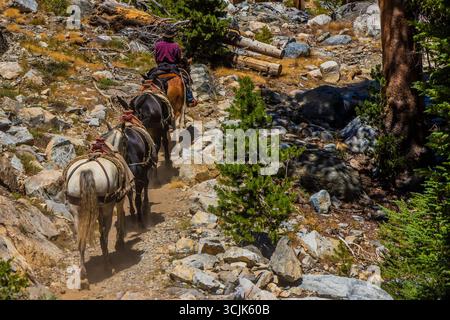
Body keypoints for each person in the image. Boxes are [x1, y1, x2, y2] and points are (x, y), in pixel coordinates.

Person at [149, 28, 198, 108]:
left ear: (164, 36)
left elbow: (156, 57)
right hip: (173, 68)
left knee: (149, 78)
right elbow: (178, 58)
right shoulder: (176, 46)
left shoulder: (158, 45)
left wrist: (159, 63)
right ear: (172, 37)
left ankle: (144, 93)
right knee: (185, 81)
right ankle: (190, 99)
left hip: (160, 67)